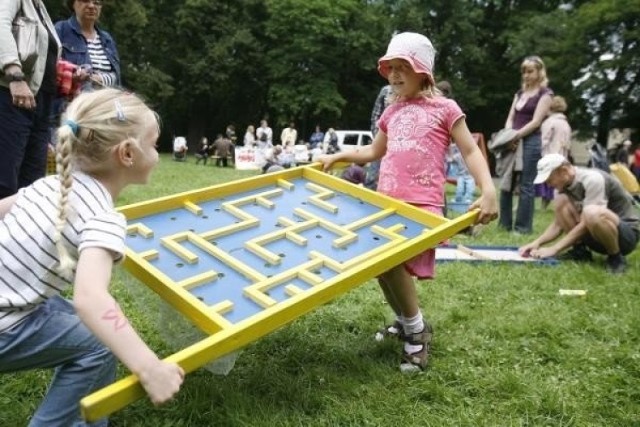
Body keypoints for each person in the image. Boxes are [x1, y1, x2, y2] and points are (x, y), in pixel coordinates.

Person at [0, 89, 184, 426]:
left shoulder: (49, 185)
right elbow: (91, 299)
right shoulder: (102, 218)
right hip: (5, 325)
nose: (157, 153)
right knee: (99, 343)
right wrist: (150, 367)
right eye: (155, 145)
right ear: (127, 153)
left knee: (74, 316)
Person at [319, 32, 497, 372]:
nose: (396, 75)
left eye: (404, 67)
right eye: (391, 68)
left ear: (424, 72)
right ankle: (405, 322)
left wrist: (487, 189)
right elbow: (373, 151)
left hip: (422, 207)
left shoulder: (446, 109)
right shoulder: (392, 112)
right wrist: (339, 155)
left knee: (392, 262)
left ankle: (417, 333)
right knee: (382, 268)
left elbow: (470, 150)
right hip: (388, 204)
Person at [519, 154, 639, 274]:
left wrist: (555, 249)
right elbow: (557, 224)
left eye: (549, 179)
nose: (548, 185)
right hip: (597, 236)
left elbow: (589, 219)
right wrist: (537, 243)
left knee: (591, 212)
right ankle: (580, 252)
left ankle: (616, 258)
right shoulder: (561, 188)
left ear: (564, 171)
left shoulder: (593, 179)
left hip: (625, 238)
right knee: (561, 200)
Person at [0, 0, 61, 200]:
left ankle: (22, 230)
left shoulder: (40, 7)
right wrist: (14, 74)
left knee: (33, 185)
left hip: (39, 103)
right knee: (5, 181)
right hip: (12, 97)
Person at [498, 55, 553, 234]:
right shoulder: (520, 94)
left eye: (530, 71)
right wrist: (508, 136)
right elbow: (511, 117)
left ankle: (522, 228)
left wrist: (516, 136)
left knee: (526, 185)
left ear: (539, 72)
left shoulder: (545, 94)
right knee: (506, 181)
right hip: (512, 140)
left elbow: (536, 121)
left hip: (530, 141)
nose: (526, 75)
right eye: (524, 72)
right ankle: (504, 224)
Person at [55, 0, 121, 90]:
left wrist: (100, 79)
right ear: (73, 4)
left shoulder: (107, 39)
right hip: (72, 101)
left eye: (96, 2)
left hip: (106, 100)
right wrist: (71, 76)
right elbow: (48, 68)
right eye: (85, 1)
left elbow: (116, 77)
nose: (91, 6)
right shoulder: (60, 30)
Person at [537, 95, 571, 209]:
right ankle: (550, 205)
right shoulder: (566, 123)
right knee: (558, 181)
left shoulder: (550, 122)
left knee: (547, 180)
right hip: (561, 156)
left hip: (549, 155)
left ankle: (543, 206)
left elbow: (543, 140)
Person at [365, 85, 391, 190]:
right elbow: (375, 116)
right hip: (382, 143)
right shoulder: (386, 90)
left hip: (401, 147)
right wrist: (379, 139)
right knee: (371, 180)